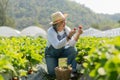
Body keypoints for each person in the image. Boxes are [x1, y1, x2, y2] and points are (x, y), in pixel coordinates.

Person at [45, 11, 83, 79]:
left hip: (62, 53)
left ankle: (72, 71)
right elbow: (57, 46)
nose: (65, 23)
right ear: (57, 24)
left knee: (73, 49)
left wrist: (78, 34)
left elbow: (72, 44)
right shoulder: (51, 31)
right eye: (62, 22)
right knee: (53, 74)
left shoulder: (66, 29)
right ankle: (59, 67)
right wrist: (68, 37)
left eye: (64, 21)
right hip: (51, 55)